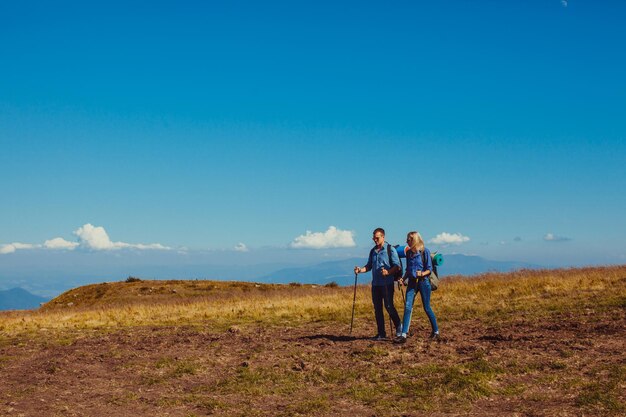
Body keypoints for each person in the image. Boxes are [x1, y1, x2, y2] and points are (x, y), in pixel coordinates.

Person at [354, 228, 403, 341]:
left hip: (387, 283)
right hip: (376, 284)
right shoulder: (373, 251)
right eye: (374, 238)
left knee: (389, 306)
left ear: (383, 237)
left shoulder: (390, 250)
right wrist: (360, 270)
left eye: (377, 238)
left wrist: (388, 272)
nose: (375, 240)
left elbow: (397, 266)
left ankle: (399, 327)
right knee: (377, 309)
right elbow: (369, 266)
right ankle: (381, 333)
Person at [394, 231, 439, 343]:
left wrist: (422, 274)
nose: (406, 241)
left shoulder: (425, 251)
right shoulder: (408, 253)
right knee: (408, 307)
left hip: (424, 282)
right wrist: (403, 279)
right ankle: (404, 335)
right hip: (412, 282)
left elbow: (429, 269)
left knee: (427, 308)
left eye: (408, 239)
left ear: (414, 240)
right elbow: (408, 270)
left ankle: (436, 331)